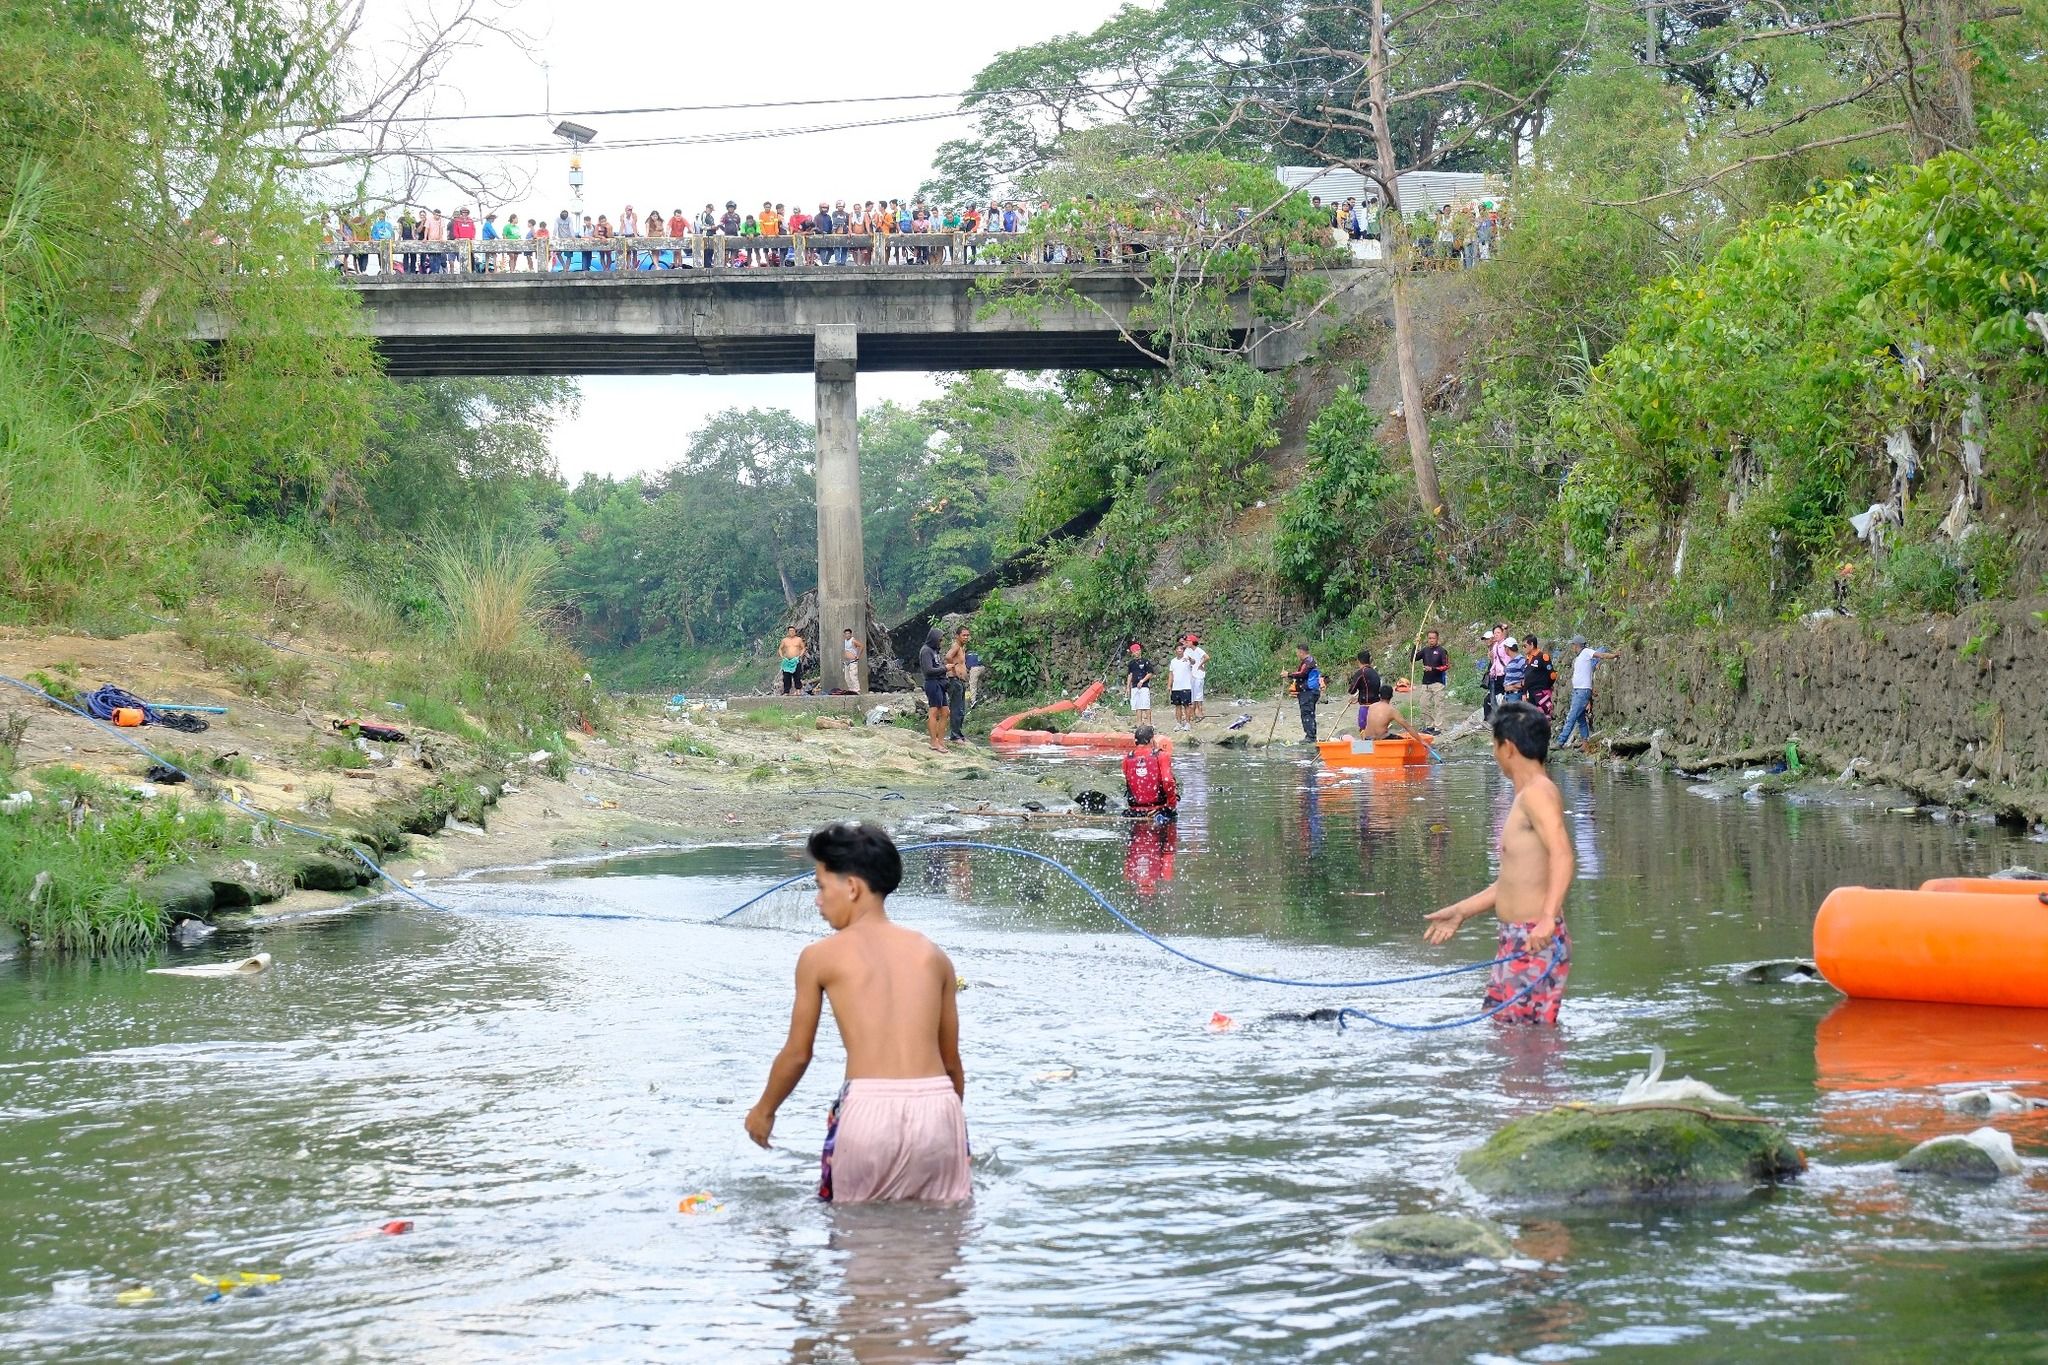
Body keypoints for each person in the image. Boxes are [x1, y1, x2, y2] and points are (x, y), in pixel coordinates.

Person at [745, 823, 969, 1204]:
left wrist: (764, 1111)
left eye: (821, 886)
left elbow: (798, 1053)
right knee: (941, 1235)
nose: (817, 900)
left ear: (851, 887)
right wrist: (946, 1128)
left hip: (869, 1113)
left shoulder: (820, 957)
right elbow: (951, 1064)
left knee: (857, 1233)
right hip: (939, 1109)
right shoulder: (933, 955)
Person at [1422, 704, 1573, 1026]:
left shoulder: (1537, 794)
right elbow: (1513, 881)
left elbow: (1562, 854)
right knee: (1505, 1033)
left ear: (1508, 748)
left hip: (1536, 937)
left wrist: (1548, 919)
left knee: (1525, 1041)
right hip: (1517, 937)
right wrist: (1462, 911)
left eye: (1494, 745)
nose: (1494, 753)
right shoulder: (1526, 797)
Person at [1556, 637, 1618, 749]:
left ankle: (1560, 742)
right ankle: (1585, 744)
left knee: (1571, 716)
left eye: (1573, 645)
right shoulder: (1580, 657)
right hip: (1578, 690)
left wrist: (1614, 655)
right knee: (1580, 718)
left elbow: (1601, 655)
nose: (1572, 647)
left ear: (1576, 645)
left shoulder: (1586, 652)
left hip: (1582, 691)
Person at [1121, 724, 1179, 819]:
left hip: (1134, 812)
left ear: (1135, 741)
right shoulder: (1161, 756)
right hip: (1158, 812)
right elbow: (1167, 781)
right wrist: (1172, 803)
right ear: (1151, 740)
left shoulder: (1127, 759)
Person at [1412, 629, 1451, 733]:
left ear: (1437, 639)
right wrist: (1415, 645)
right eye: (1429, 638)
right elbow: (1413, 659)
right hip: (1426, 683)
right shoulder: (1425, 650)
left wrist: (1433, 669)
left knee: (1439, 705)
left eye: (1433, 638)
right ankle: (1429, 726)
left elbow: (1446, 666)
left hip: (1438, 683)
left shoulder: (1442, 651)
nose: (1431, 640)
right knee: (1423, 704)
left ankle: (1439, 727)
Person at [918, 628, 950, 753]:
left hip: (940, 683)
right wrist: (945, 669)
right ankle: (933, 742)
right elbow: (928, 670)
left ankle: (940, 740)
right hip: (932, 683)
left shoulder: (934, 651)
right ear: (934, 639)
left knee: (945, 712)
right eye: (940, 640)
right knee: (934, 712)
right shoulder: (926, 651)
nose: (941, 642)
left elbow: (937, 666)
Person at [1362, 684, 1428, 742]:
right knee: (1402, 741)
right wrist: (1422, 741)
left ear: (1379, 695)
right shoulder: (1391, 710)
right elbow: (1408, 727)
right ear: (1391, 696)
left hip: (1367, 739)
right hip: (1380, 739)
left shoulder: (1372, 706)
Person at [1284, 645, 1323, 743]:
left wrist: (1288, 674)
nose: (1297, 655)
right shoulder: (1309, 661)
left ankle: (1310, 737)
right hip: (1308, 691)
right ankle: (1310, 735)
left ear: (1302, 652)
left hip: (1308, 692)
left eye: (1297, 652)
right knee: (1308, 713)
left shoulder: (1308, 662)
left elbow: (1302, 673)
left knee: (1307, 713)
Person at [1345, 649, 1382, 735]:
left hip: (1366, 707)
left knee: (1364, 731)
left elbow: (1352, 690)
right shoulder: (1375, 673)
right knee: (1376, 732)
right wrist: (1358, 698)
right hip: (1377, 706)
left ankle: (1365, 743)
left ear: (1358, 661)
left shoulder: (1361, 673)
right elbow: (1371, 689)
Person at [945, 626, 971, 744]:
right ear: (957, 636)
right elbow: (948, 656)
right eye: (963, 635)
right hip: (954, 681)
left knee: (961, 709)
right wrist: (954, 671)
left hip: (960, 682)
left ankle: (958, 734)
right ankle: (955, 736)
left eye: (967, 635)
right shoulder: (956, 646)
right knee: (956, 709)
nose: (966, 637)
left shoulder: (961, 648)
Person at [1522, 636, 1555, 720]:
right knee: (1532, 718)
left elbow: (1552, 675)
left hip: (1541, 692)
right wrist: (1524, 693)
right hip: (1530, 693)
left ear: (1532, 645)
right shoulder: (1528, 659)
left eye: (1525, 646)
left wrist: (1546, 687)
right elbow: (1526, 678)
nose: (1523, 648)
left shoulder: (1542, 656)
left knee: (1545, 717)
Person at [1167, 642, 1196, 732]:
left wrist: (1189, 658)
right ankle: (1178, 723)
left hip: (1186, 686)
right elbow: (1171, 674)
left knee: (1186, 705)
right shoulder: (1173, 661)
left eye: (1181, 649)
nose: (1179, 650)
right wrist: (1169, 685)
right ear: (1175, 651)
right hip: (1176, 687)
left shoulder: (1187, 659)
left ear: (1183, 650)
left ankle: (1187, 723)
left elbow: (1194, 662)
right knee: (1177, 706)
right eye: (1178, 649)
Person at [1484, 625, 1512, 719]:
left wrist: (1505, 629)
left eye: (1498, 633)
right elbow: (1495, 662)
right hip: (1496, 675)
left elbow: (1508, 638)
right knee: (1492, 697)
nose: (1496, 635)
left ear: (1502, 633)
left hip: (1505, 674)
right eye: (1495, 633)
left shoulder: (1506, 644)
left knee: (1506, 696)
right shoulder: (1495, 646)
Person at [1126, 642, 1153, 728]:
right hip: (1134, 686)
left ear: (1140, 651)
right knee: (1137, 705)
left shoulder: (1146, 662)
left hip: (1144, 686)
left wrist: (1142, 681)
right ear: (1132, 653)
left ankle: (1149, 723)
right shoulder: (1131, 663)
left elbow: (1150, 673)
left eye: (1137, 650)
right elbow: (1130, 675)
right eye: (1134, 651)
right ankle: (1139, 722)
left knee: (1146, 704)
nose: (1136, 652)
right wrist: (1128, 687)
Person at [1185, 633, 1208, 722]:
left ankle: (1200, 711)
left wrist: (1200, 665)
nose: (1187, 643)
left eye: (1188, 641)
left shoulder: (1198, 650)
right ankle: (1193, 713)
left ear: (1192, 642)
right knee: (1193, 693)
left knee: (1198, 693)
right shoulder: (1188, 650)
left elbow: (1207, 657)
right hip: (1192, 674)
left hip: (1199, 674)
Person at [779, 626, 806, 695]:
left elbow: (803, 648)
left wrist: (800, 655)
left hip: (795, 660)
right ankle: (786, 691)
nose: (792, 632)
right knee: (786, 677)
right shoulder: (784, 640)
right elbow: (780, 649)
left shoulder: (798, 639)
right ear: (788, 632)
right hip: (787, 661)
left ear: (795, 632)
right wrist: (782, 657)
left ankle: (798, 690)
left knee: (797, 676)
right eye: (790, 631)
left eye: (793, 631)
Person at [840, 628, 864, 694]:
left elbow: (861, 646)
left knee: (853, 676)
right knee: (847, 677)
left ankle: (857, 689)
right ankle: (851, 689)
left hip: (853, 661)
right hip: (847, 661)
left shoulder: (853, 640)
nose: (847, 635)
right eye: (846, 634)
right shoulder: (845, 641)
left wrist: (858, 656)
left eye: (848, 634)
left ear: (851, 634)